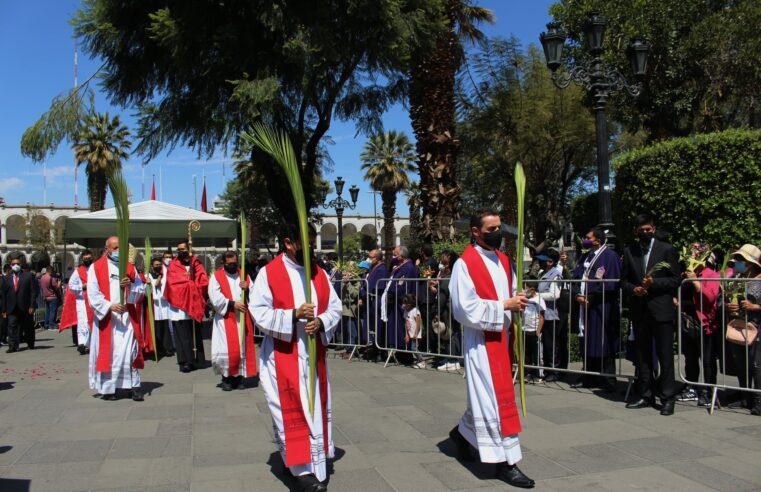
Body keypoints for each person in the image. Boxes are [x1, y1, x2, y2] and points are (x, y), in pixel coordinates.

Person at [250, 225, 342, 492]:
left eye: (312, 242)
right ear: (288, 243)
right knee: (291, 411)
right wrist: (293, 315)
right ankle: (301, 471)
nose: (311, 248)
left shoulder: (318, 272)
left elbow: (334, 306)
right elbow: (259, 311)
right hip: (283, 354)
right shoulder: (269, 273)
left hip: (313, 356)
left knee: (314, 409)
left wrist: (322, 322)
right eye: (306, 243)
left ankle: (316, 462)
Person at [449, 208, 534, 489]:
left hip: (502, 340)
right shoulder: (464, 264)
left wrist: (519, 298)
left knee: (489, 400)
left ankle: (462, 436)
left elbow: (509, 293)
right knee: (493, 403)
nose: (498, 234)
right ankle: (504, 463)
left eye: (499, 228)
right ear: (476, 231)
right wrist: (503, 306)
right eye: (491, 229)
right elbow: (463, 308)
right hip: (481, 343)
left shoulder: (504, 259)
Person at [621, 214, 680, 415]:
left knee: (665, 356)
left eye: (648, 229)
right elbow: (624, 281)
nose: (644, 233)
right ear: (636, 231)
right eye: (641, 230)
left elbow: (675, 280)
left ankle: (667, 397)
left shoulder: (667, 250)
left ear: (654, 229)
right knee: (643, 356)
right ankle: (645, 394)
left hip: (661, 309)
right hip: (640, 311)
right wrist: (634, 289)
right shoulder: (630, 252)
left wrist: (655, 283)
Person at [87, 236, 146, 401]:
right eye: (114, 248)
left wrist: (131, 286)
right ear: (107, 249)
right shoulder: (96, 267)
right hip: (108, 319)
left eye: (120, 247)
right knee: (110, 353)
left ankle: (134, 387)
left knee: (130, 352)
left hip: (127, 318)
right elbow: (92, 293)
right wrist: (109, 306)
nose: (118, 251)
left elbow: (141, 290)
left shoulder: (129, 267)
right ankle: (108, 389)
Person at [571, 227, 621, 392]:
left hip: (602, 306)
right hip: (584, 305)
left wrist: (592, 297)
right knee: (587, 339)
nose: (585, 240)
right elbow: (577, 275)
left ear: (598, 240)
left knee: (603, 340)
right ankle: (589, 376)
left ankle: (608, 379)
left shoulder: (610, 256)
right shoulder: (585, 256)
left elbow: (612, 282)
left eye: (588, 237)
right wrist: (577, 294)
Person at [208, 251, 257, 391]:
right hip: (226, 319)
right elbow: (215, 297)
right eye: (229, 264)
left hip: (241, 319)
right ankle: (227, 378)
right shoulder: (217, 277)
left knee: (241, 348)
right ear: (223, 263)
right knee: (226, 349)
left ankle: (239, 377)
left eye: (234, 263)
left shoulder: (244, 276)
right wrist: (232, 304)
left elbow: (255, 294)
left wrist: (247, 289)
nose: (232, 266)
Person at [679, 244, 721, 407]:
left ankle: (709, 391)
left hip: (705, 323)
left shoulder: (711, 274)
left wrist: (696, 283)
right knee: (690, 358)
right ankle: (691, 387)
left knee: (708, 360)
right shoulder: (685, 275)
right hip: (687, 322)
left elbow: (710, 298)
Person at [725, 244, 761, 415]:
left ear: (751, 262)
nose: (737, 262)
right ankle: (745, 396)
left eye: (741, 259)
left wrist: (755, 307)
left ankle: (758, 400)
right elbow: (721, 299)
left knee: (756, 365)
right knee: (741, 364)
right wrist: (726, 305)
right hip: (738, 327)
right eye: (737, 259)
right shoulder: (735, 279)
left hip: (756, 328)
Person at [164, 241, 208, 373]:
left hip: (193, 304)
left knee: (194, 333)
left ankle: (197, 359)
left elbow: (203, 281)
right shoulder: (174, 265)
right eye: (178, 249)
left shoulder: (196, 263)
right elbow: (171, 283)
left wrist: (194, 286)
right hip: (179, 307)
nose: (180, 251)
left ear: (189, 249)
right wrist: (187, 285)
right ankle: (185, 361)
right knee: (182, 335)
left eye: (182, 249)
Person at [381, 245, 418, 357]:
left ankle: (405, 352)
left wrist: (393, 290)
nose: (393, 257)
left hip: (403, 302)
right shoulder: (399, 266)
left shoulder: (409, 268)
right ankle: (399, 349)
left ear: (402, 256)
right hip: (395, 302)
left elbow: (403, 285)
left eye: (395, 255)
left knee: (404, 327)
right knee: (396, 327)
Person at [60, 250, 95, 354]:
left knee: (92, 323)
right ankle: (82, 344)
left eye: (89, 258)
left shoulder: (96, 269)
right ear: (82, 260)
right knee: (82, 323)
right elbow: (71, 286)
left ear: (92, 258)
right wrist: (82, 287)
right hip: (82, 301)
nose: (87, 260)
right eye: (85, 259)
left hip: (94, 300)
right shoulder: (78, 272)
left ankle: (91, 344)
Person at [535, 251, 562, 382]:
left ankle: (553, 371)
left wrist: (537, 296)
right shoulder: (542, 274)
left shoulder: (556, 275)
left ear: (551, 262)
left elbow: (555, 294)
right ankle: (545, 370)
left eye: (543, 260)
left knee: (550, 345)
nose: (540, 263)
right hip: (541, 313)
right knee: (544, 345)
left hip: (550, 315)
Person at [2, 255, 36, 353]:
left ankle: (30, 343)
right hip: (12, 308)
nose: (15, 265)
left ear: (20, 265)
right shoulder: (7, 278)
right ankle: (12, 346)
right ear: (10, 265)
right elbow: (4, 294)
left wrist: (32, 305)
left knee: (28, 326)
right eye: (13, 264)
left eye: (17, 264)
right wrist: (4, 310)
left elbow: (33, 292)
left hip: (25, 307)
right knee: (11, 327)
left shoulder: (28, 276)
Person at [360, 249, 388, 361]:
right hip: (370, 300)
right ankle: (373, 349)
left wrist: (367, 292)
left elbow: (378, 285)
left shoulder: (382, 269)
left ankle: (380, 350)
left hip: (376, 300)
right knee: (371, 326)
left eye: (370, 257)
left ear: (376, 258)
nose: (368, 259)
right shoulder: (373, 268)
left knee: (378, 325)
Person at [147, 254, 174, 357]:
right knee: (157, 327)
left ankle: (168, 348)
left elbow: (166, 284)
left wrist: (160, 281)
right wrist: (153, 283)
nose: (157, 266)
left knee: (166, 327)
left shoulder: (164, 274)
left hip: (163, 304)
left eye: (159, 264)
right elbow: (149, 286)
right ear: (152, 266)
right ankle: (158, 349)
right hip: (155, 305)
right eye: (155, 265)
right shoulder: (148, 275)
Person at [523, 284, 546, 384]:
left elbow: (541, 317)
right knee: (526, 354)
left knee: (536, 353)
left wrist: (538, 331)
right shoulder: (524, 299)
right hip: (524, 330)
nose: (524, 290)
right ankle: (528, 373)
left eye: (526, 288)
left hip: (534, 331)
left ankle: (538, 374)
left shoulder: (539, 300)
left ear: (532, 289)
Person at [402, 293, 424, 368]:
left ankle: (421, 361)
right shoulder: (406, 311)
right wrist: (407, 334)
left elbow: (418, 322)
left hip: (416, 333)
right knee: (413, 348)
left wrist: (416, 333)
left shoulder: (415, 310)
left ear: (411, 304)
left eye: (406, 304)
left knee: (414, 348)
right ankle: (419, 360)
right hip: (410, 333)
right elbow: (406, 322)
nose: (405, 306)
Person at [40, 267, 61, 331]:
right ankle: (51, 325)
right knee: (53, 311)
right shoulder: (51, 278)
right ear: (51, 271)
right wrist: (59, 284)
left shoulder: (42, 278)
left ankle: (46, 324)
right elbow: (56, 288)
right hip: (52, 296)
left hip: (45, 296)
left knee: (47, 311)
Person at [0, 264, 10, 346]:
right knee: (3, 323)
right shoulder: (2, 279)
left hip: (3, 304)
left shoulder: (3, 278)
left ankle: (3, 338)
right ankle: (2, 338)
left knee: (3, 323)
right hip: (2, 304)